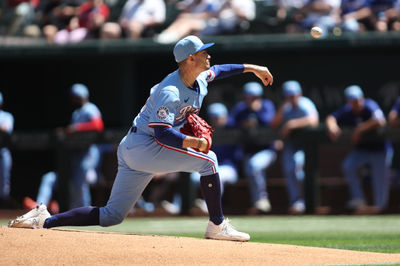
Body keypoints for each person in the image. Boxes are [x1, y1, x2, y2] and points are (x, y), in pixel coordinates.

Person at [9, 35, 273, 242]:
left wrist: (253, 68)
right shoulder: (169, 91)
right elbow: (163, 134)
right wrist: (195, 143)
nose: (208, 55)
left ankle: (44, 219)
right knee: (209, 161)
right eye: (204, 51)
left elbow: (220, 70)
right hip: (145, 146)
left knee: (112, 215)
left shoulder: (200, 77)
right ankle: (217, 225)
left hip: (134, 148)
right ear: (190, 59)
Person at [161, 102, 243, 215]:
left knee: (218, 176)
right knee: (193, 177)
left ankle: (208, 206)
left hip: (229, 168)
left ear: (225, 116)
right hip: (209, 166)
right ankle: (177, 206)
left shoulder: (233, 128)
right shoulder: (206, 131)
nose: (216, 120)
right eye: (213, 117)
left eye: (218, 117)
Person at [325, 85, 392, 214]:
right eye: (352, 100)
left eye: (358, 99)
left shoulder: (370, 105)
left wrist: (360, 129)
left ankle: (380, 208)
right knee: (348, 166)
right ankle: (359, 199)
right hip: (362, 150)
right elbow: (331, 117)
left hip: (380, 150)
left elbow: (380, 120)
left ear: (362, 98)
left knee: (380, 179)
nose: (356, 102)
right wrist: (332, 126)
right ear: (348, 101)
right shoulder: (347, 110)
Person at [227, 82, 278, 213]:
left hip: (266, 149)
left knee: (254, 166)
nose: (251, 100)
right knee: (251, 167)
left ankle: (262, 199)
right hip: (248, 151)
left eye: (254, 97)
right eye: (248, 97)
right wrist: (242, 123)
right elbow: (229, 123)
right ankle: (258, 203)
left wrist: (257, 114)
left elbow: (270, 122)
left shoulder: (266, 106)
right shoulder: (241, 108)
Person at [271, 80, 319, 214]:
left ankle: (307, 201)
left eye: (293, 95)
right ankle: (296, 202)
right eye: (288, 95)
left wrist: (292, 124)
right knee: (290, 170)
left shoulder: (305, 104)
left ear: (299, 94)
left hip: (307, 147)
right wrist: (283, 109)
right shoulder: (285, 107)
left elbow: (314, 121)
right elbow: (274, 123)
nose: (291, 98)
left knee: (298, 169)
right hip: (291, 146)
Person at [100, 0, 166, 40]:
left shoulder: (157, 1)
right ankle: (109, 58)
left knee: (133, 27)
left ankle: (132, 58)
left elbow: (159, 19)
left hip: (146, 29)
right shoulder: (131, 2)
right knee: (108, 28)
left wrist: (142, 23)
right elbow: (122, 18)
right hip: (126, 27)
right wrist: (125, 23)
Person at [0, 92, 14, 208]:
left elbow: (6, 128)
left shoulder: (6, 116)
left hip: (3, 151)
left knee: (4, 182)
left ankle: (4, 209)